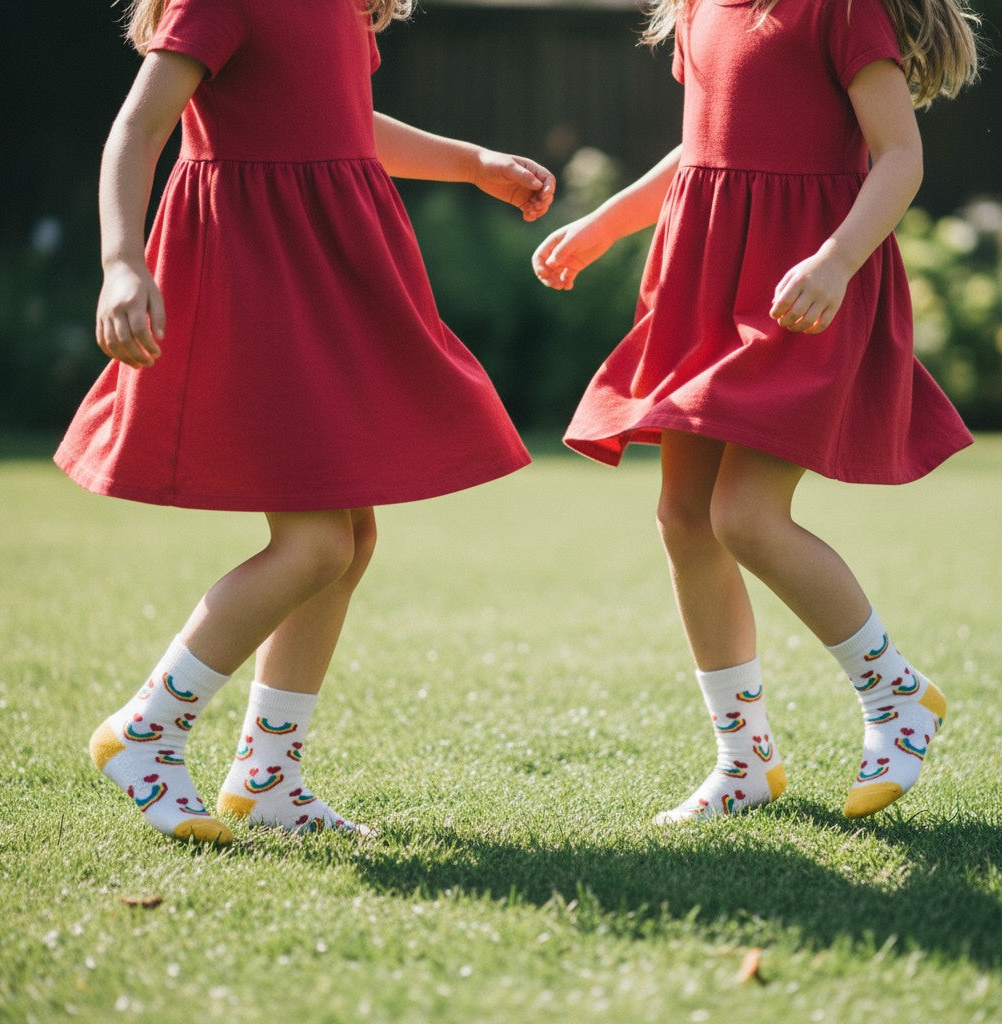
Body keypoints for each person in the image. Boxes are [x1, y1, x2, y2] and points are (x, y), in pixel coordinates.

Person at [55, 0, 555, 844]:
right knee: (316, 542)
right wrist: (120, 262)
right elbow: (139, 127)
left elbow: (347, 123)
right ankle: (145, 733)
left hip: (327, 277)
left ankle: (267, 778)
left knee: (348, 540)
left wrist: (472, 163)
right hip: (256, 277)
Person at [533, 0, 979, 823]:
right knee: (683, 516)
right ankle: (743, 761)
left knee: (744, 515)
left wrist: (838, 260)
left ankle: (897, 697)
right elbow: (702, 152)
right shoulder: (703, 8)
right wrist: (602, 225)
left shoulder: (841, 10)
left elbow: (899, 156)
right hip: (706, 286)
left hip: (801, 292)